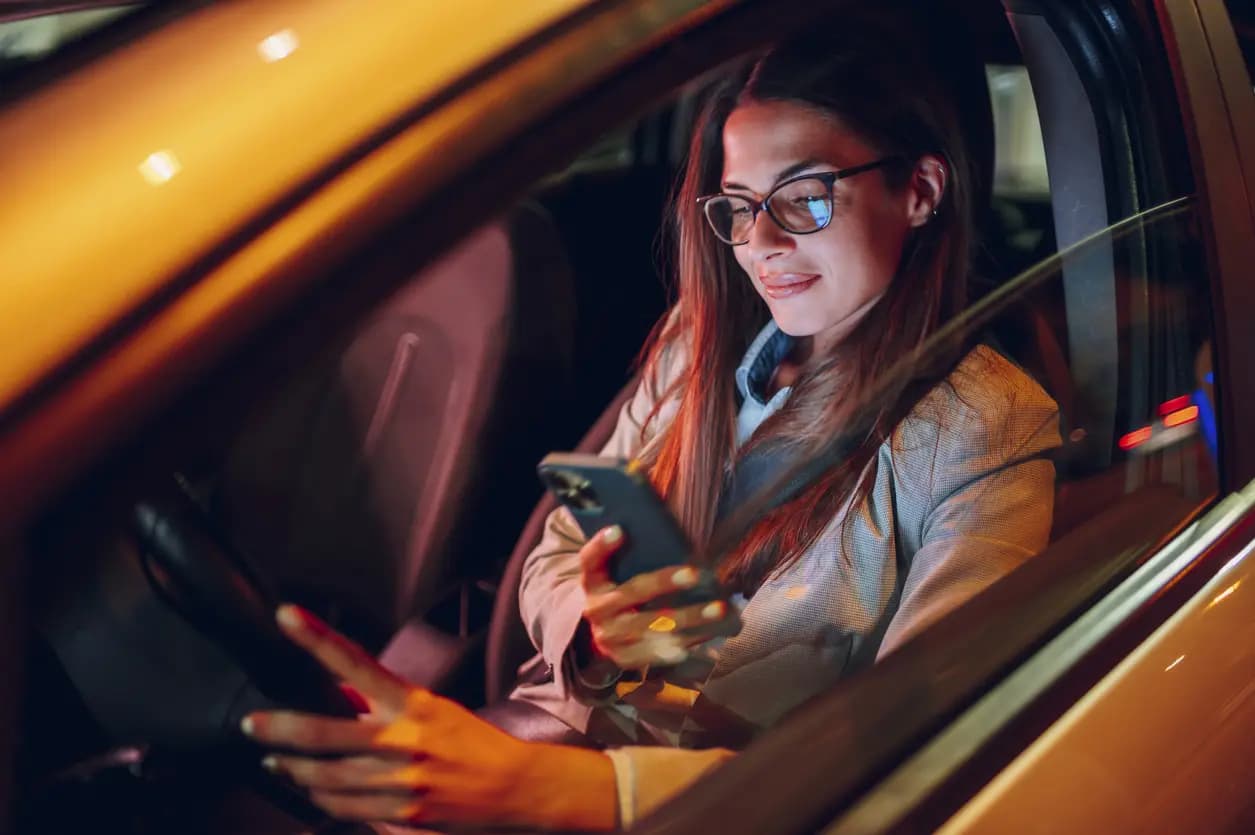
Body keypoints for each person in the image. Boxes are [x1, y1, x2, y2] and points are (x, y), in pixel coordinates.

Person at [241, 10, 1060, 831]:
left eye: (803, 198)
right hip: (540, 740)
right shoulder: (697, 345)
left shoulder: (984, 429)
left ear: (919, 190)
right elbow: (555, 551)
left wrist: (548, 789)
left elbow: (920, 750)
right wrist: (592, 629)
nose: (759, 242)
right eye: (738, 207)